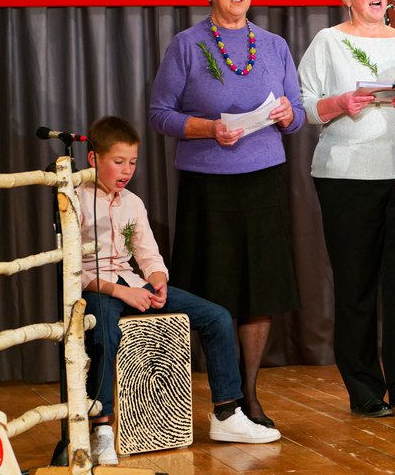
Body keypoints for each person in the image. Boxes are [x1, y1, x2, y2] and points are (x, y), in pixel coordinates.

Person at [149, 0, 305, 429]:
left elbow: (298, 116)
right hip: (208, 187)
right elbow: (160, 115)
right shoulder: (186, 45)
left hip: (264, 183)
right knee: (215, 292)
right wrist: (208, 128)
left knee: (260, 291)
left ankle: (250, 397)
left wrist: (286, 115)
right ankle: (223, 397)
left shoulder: (274, 44)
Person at [80, 116, 280, 467]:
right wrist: (122, 293)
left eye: (133, 162)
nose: (127, 170)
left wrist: (157, 281)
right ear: (94, 159)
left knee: (216, 316)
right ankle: (101, 429)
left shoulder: (133, 203)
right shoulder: (76, 200)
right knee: (104, 334)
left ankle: (226, 412)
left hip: (132, 283)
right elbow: (75, 271)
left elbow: (147, 254)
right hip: (99, 288)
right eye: (118, 162)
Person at [298, 0, 395, 418]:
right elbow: (304, 105)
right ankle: (363, 389)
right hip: (345, 176)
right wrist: (339, 102)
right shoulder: (328, 42)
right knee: (356, 286)